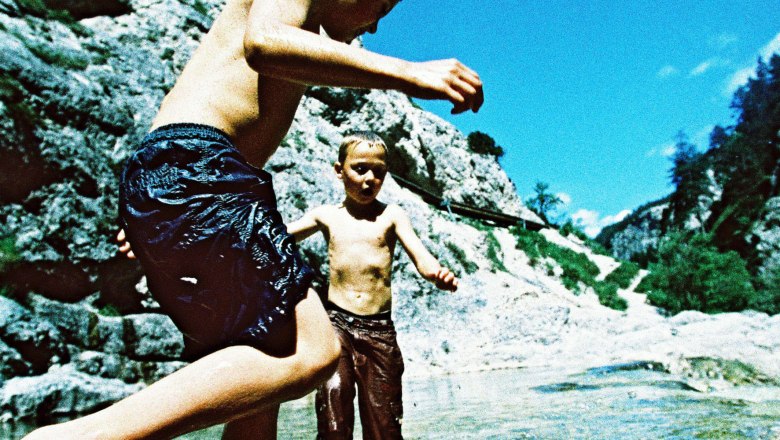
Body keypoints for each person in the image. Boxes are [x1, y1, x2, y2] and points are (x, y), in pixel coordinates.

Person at [25, 0, 481, 438]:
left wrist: (162, 209)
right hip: (200, 170)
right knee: (313, 353)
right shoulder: (284, 18)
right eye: (380, 7)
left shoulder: (305, 32)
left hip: (183, 179)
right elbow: (263, 43)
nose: (376, 25)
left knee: (258, 385)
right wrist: (407, 73)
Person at [287, 132, 458, 439]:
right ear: (339, 170)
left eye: (378, 172)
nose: (369, 179)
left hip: (379, 331)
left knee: (385, 423)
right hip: (336, 324)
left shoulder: (391, 215)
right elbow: (282, 236)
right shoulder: (326, 216)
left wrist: (437, 274)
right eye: (360, 169)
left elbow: (422, 257)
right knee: (333, 412)